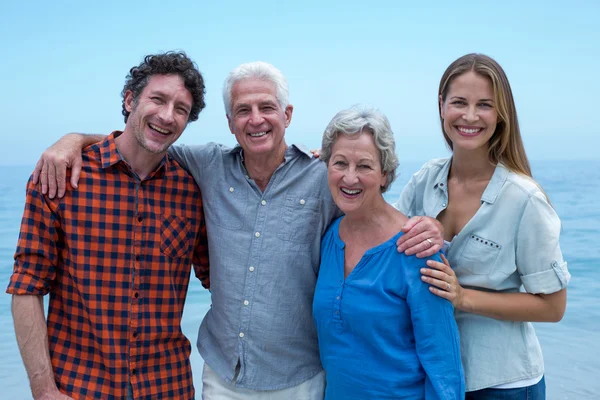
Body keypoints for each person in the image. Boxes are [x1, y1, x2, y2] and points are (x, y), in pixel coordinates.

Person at [31, 61, 444, 399]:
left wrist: (424, 226)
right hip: (222, 376)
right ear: (230, 122)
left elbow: (371, 206)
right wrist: (72, 140)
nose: (256, 119)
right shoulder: (205, 166)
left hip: (301, 377)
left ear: (287, 115)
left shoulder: (325, 177)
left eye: (267, 107)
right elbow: (145, 140)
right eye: (243, 110)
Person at [7, 51, 210, 400]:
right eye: (157, 99)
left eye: (181, 109)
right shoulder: (62, 176)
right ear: (130, 99)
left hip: (168, 388)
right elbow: (27, 287)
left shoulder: (191, 190)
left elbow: (224, 282)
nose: (167, 115)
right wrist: (43, 390)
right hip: (79, 389)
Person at [395, 53, 570, 399]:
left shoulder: (525, 199)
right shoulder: (424, 181)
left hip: (503, 384)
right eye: (459, 102)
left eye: (485, 105)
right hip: (434, 375)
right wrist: (328, 171)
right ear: (442, 105)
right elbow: (382, 242)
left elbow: (553, 307)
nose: (470, 116)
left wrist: (463, 297)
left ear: (501, 114)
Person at [313, 106, 465, 399]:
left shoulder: (416, 249)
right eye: (340, 163)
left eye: (365, 166)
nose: (350, 177)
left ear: (385, 174)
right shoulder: (329, 238)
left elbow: (443, 364)